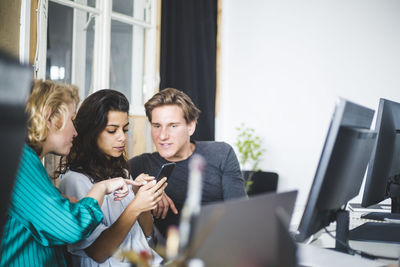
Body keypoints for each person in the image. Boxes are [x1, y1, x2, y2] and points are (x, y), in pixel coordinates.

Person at [0, 80, 134, 267]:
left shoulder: (26, 160)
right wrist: (101, 188)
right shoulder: (21, 161)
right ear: (50, 118)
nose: (75, 131)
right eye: (71, 119)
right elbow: (71, 226)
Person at [59, 89, 165, 266]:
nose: (122, 138)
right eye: (112, 130)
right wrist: (134, 207)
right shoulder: (75, 181)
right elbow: (98, 252)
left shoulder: (121, 172)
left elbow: (146, 235)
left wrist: (141, 198)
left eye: (125, 129)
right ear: (91, 133)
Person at [129, 88, 247, 239]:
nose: (163, 136)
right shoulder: (140, 166)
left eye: (173, 125)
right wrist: (142, 191)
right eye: (157, 126)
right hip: (170, 257)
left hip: (221, 246)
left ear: (191, 126)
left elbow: (239, 214)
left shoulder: (221, 154)